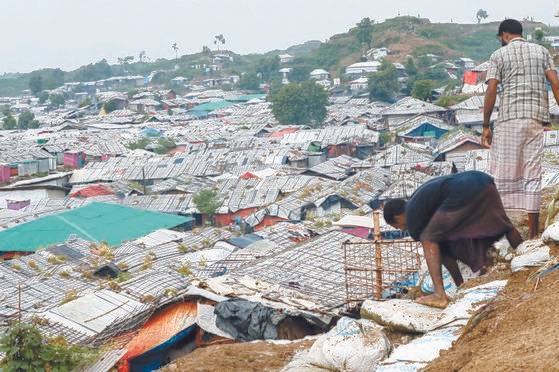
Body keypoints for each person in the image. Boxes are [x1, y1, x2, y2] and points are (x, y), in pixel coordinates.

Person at [383, 171, 523, 309]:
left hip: (462, 192)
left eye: (396, 225)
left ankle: (439, 295)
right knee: (504, 225)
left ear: (397, 217)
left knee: (428, 238)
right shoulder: (418, 202)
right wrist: (460, 286)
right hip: (483, 180)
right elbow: (444, 252)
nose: (401, 229)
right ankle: (525, 254)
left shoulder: (412, 217)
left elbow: (432, 245)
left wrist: (446, 290)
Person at [483, 19, 559, 239]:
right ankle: (534, 232)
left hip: (508, 119)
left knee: (503, 173)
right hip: (536, 118)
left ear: (505, 35)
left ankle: (509, 231)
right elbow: (555, 83)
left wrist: (486, 125)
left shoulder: (498, 56)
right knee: (532, 172)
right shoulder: (542, 52)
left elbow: (491, 90)